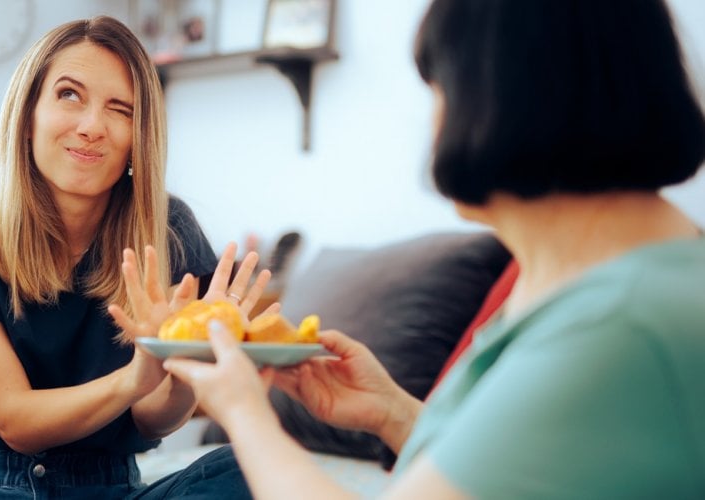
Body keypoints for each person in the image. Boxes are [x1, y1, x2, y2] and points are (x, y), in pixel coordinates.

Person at [121, 0, 705, 498]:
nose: (432, 124)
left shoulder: (620, 323)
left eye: (439, 88)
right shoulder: (599, 281)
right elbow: (516, 466)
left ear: (504, 94)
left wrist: (245, 413)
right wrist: (392, 413)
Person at [0, 16, 269, 499]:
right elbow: (16, 420)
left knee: (254, 463)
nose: (92, 126)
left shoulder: (168, 229)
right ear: (28, 112)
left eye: (120, 109)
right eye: (69, 95)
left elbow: (152, 420)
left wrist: (184, 366)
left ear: (138, 137)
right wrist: (134, 377)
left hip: (110, 485)